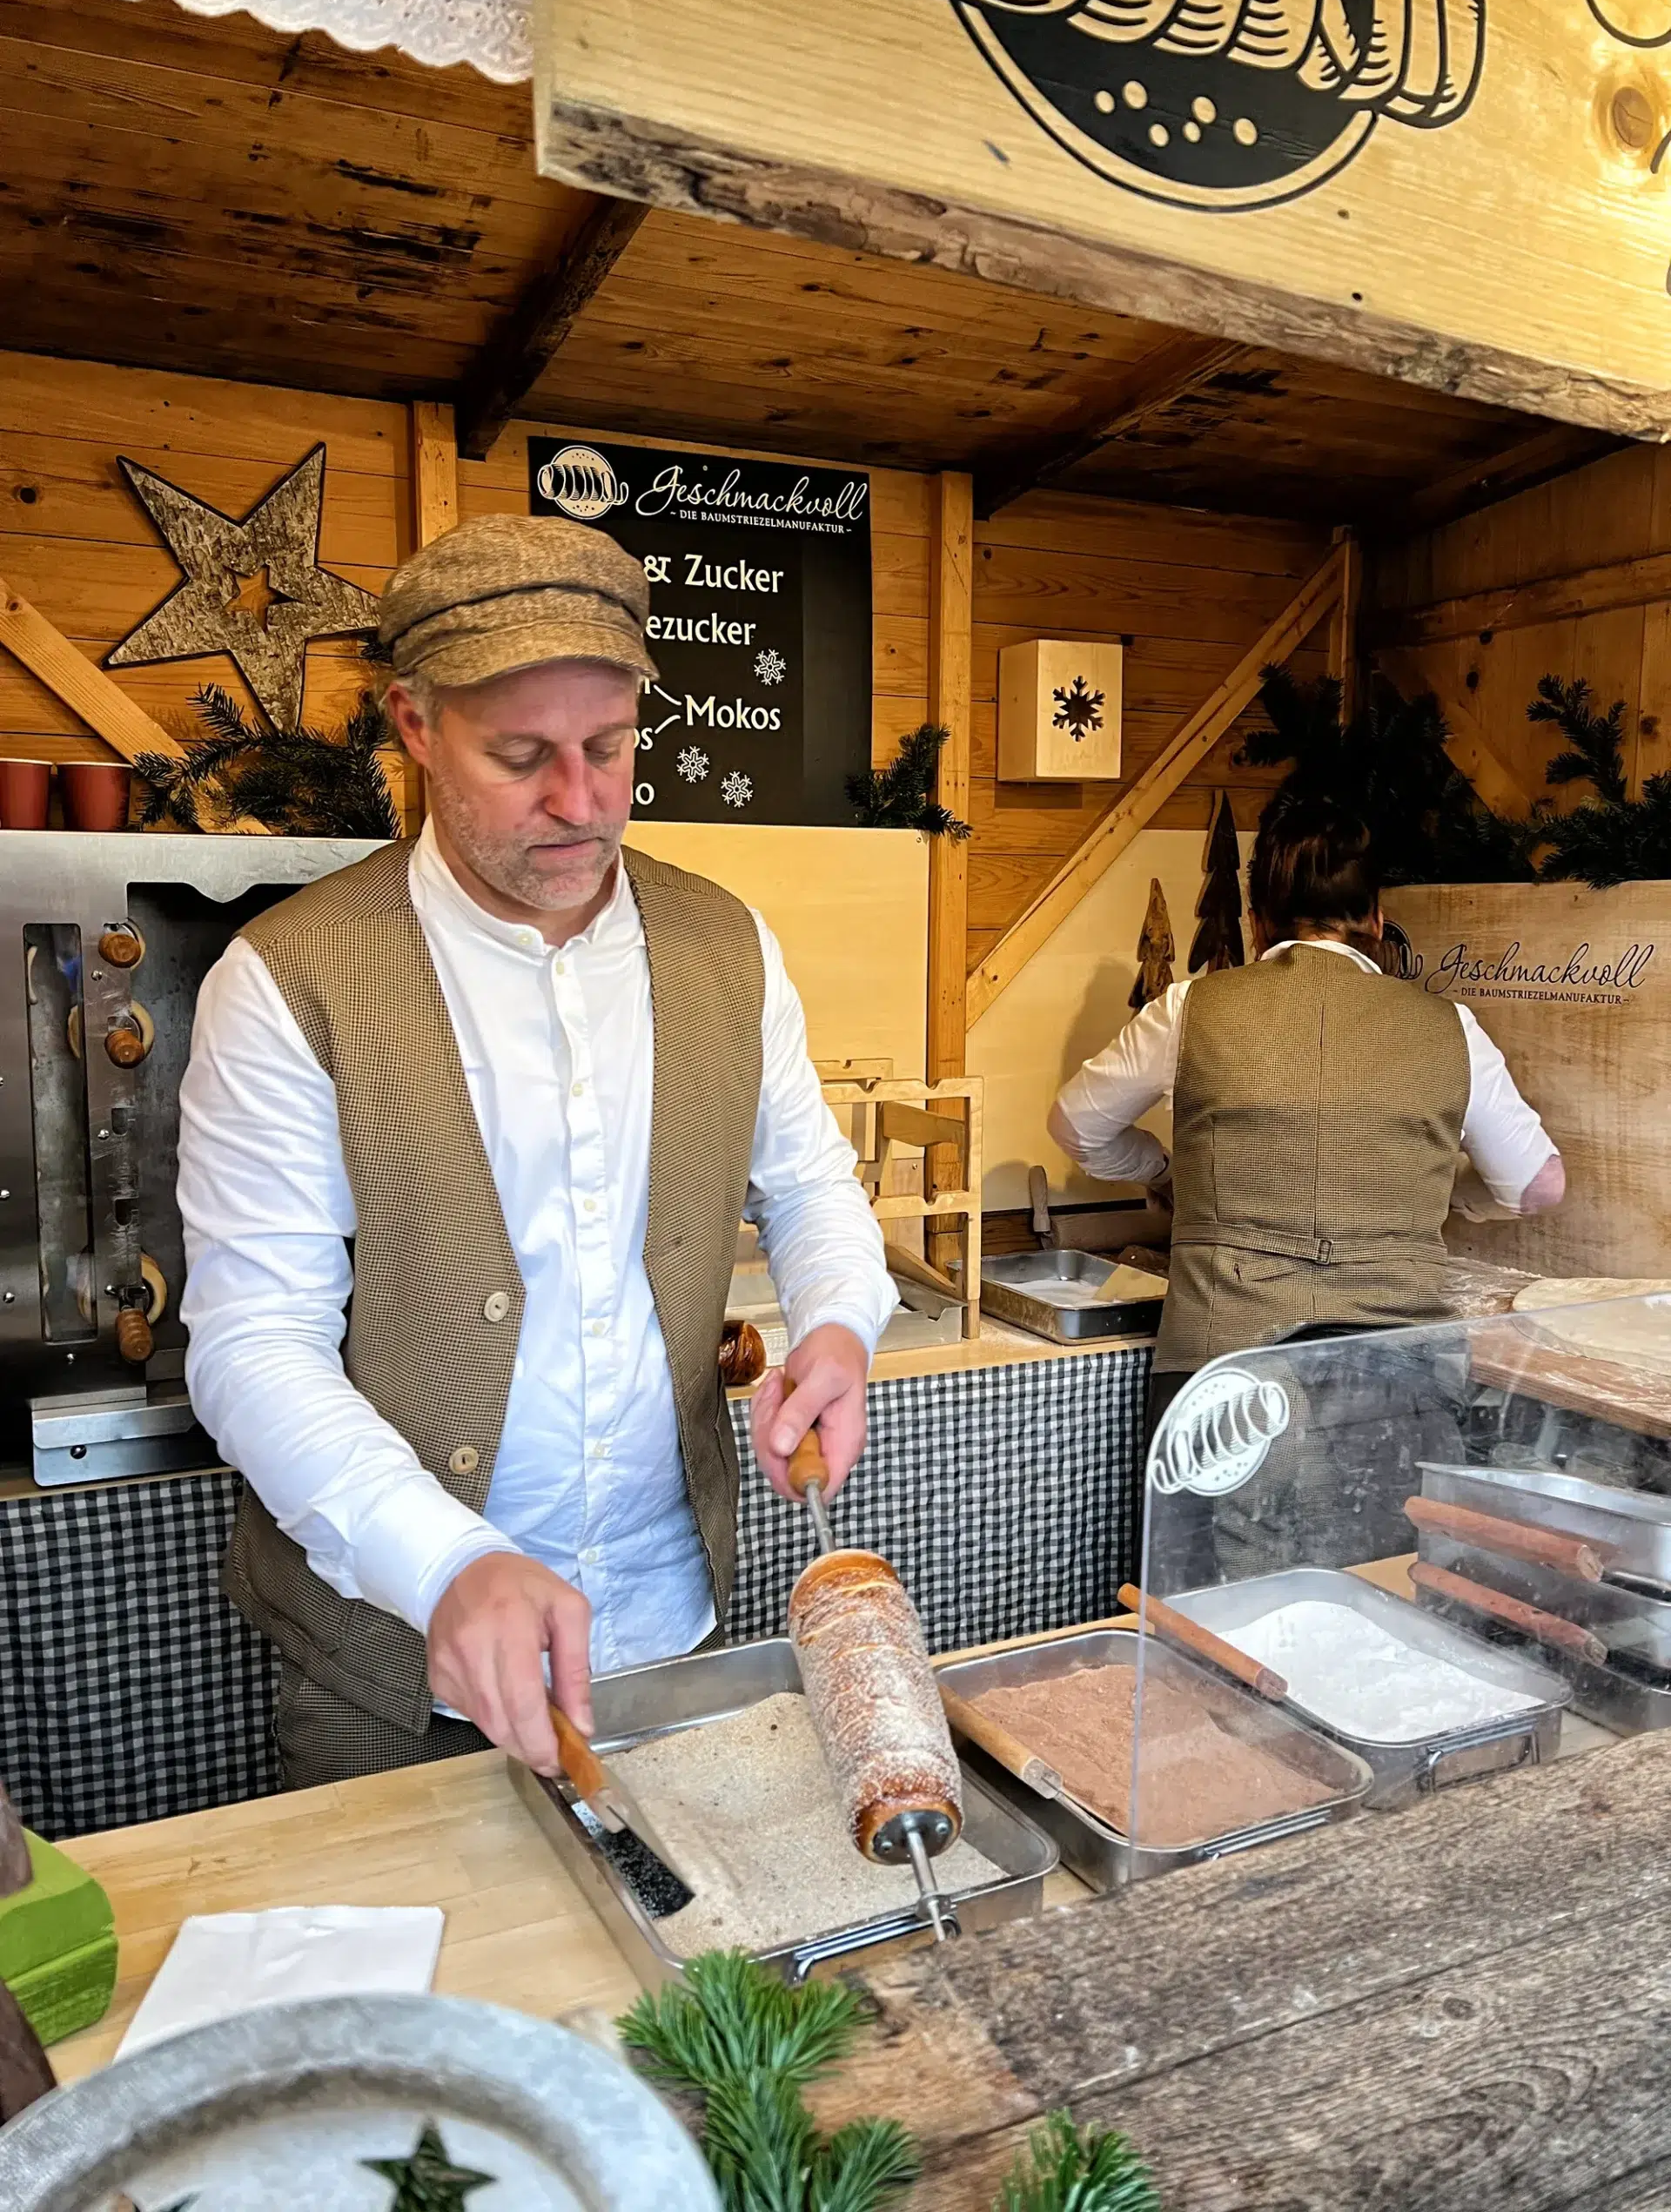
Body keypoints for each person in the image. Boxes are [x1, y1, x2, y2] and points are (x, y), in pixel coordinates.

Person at [176, 514, 895, 1791]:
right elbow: (253, 1341)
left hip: (679, 1628)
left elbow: (812, 1185)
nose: (578, 801)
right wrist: (444, 1564)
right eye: (520, 757)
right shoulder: (289, 980)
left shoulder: (726, 943)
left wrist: (838, 1325)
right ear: (414, 725)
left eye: (609, 748)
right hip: (395, 1662)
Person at [1050, 796, 1564, 1440]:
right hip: (1397, 1366)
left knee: (1218, 1543)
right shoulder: (1451, 1026)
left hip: (1229, 1366)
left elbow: (1076, 1124)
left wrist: (1164, 1170)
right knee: (1390, 1539)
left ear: (1259, 920)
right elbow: (1539, 1186)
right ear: (1376, 917)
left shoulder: (1190, 1009)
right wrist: (1447, 1192)